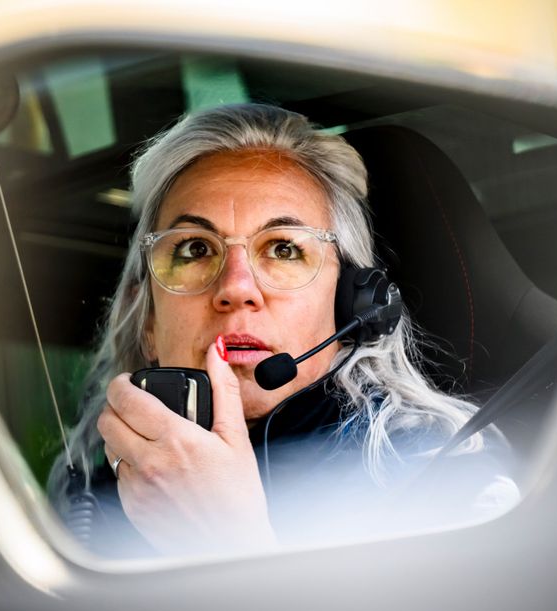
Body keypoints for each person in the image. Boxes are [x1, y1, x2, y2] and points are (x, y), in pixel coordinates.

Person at [48, 103, 517, 558]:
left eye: (284, 249)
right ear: (147, 320)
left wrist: (230, 543)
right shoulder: (81, 519)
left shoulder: (445, 481)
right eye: (194, 249)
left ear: (350, 306)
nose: (235, 288)